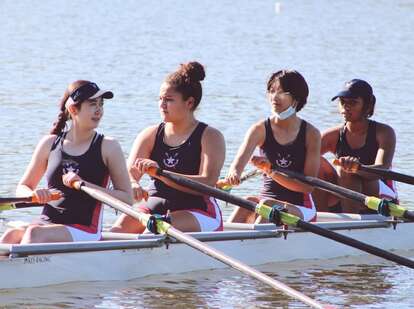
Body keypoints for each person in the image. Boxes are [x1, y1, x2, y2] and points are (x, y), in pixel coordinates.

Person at [0, 80, 132, 244]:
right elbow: (22, 187)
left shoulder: (108, 146)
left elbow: (127, 198)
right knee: (10, 236)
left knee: (34, 235)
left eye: (101, 104)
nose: (99, 110)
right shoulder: (49, 143)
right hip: (46, 223)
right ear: (73, 109)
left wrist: (85, 184)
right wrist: (32, 195)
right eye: (92, 104)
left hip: (84, 229)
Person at [111, 61, 225, 233]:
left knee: (156, 227)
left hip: (199, 210)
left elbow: (208, 182)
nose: (162, 105)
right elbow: (128, 175)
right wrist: (133, 184)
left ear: (189, 103)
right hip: (155, 204)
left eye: (169, 100)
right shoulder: (150, 134)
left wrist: (161, 174)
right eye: (160, 99)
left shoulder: (210, 136)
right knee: (117, 230)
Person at [225, 70, 320, 224]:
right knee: (246, 202)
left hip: (301, 207)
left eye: (282, 92)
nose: (274, 97)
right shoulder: (259, 129)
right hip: (266, 202)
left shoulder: (311, 134)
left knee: (268, 206)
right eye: (271, 91)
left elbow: (308, 187)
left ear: (296, 98)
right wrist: (233, 174)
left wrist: (271, 171)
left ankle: (254, 243)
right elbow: (238, 163)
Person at [313, 79, 397, 214]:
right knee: (314, 161)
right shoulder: (333, 135)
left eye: (352, 103)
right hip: (347, 193)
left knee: (345, 171)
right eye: (342, 102)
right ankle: (322, 217)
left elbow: (382, 169)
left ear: (368, 106)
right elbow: (302, 157)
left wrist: (357, 168)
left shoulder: (384, 132)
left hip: (380, 197)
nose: (345, 107)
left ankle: (352, 222)